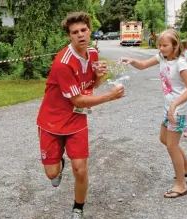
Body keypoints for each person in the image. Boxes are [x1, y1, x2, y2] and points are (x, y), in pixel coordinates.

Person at [36, 12, 124, 218]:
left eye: (84, 30)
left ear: (90, 30)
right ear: (69, 36)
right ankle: (58, 164)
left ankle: (78, 207)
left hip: (76, 118)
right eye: (75, 32)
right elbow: (77, 100)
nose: (80, 35)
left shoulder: (92, 53)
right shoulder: (62, 63)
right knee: (51, 173)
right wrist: (109, 97)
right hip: (52, 121)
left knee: (81, 169)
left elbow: (89, 86)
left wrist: (99, 77)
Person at [121, 29, 187, 198]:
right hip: (170, 107)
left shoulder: (180, 64)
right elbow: (142, 65)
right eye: (159, 45)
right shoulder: (162, 58)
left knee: (172, 146)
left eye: (165, 45)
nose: (161, 48)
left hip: (179, 109)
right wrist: (132, 60)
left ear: (175, 45)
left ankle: (181, 184)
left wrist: (175, 105)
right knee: (164, 139)